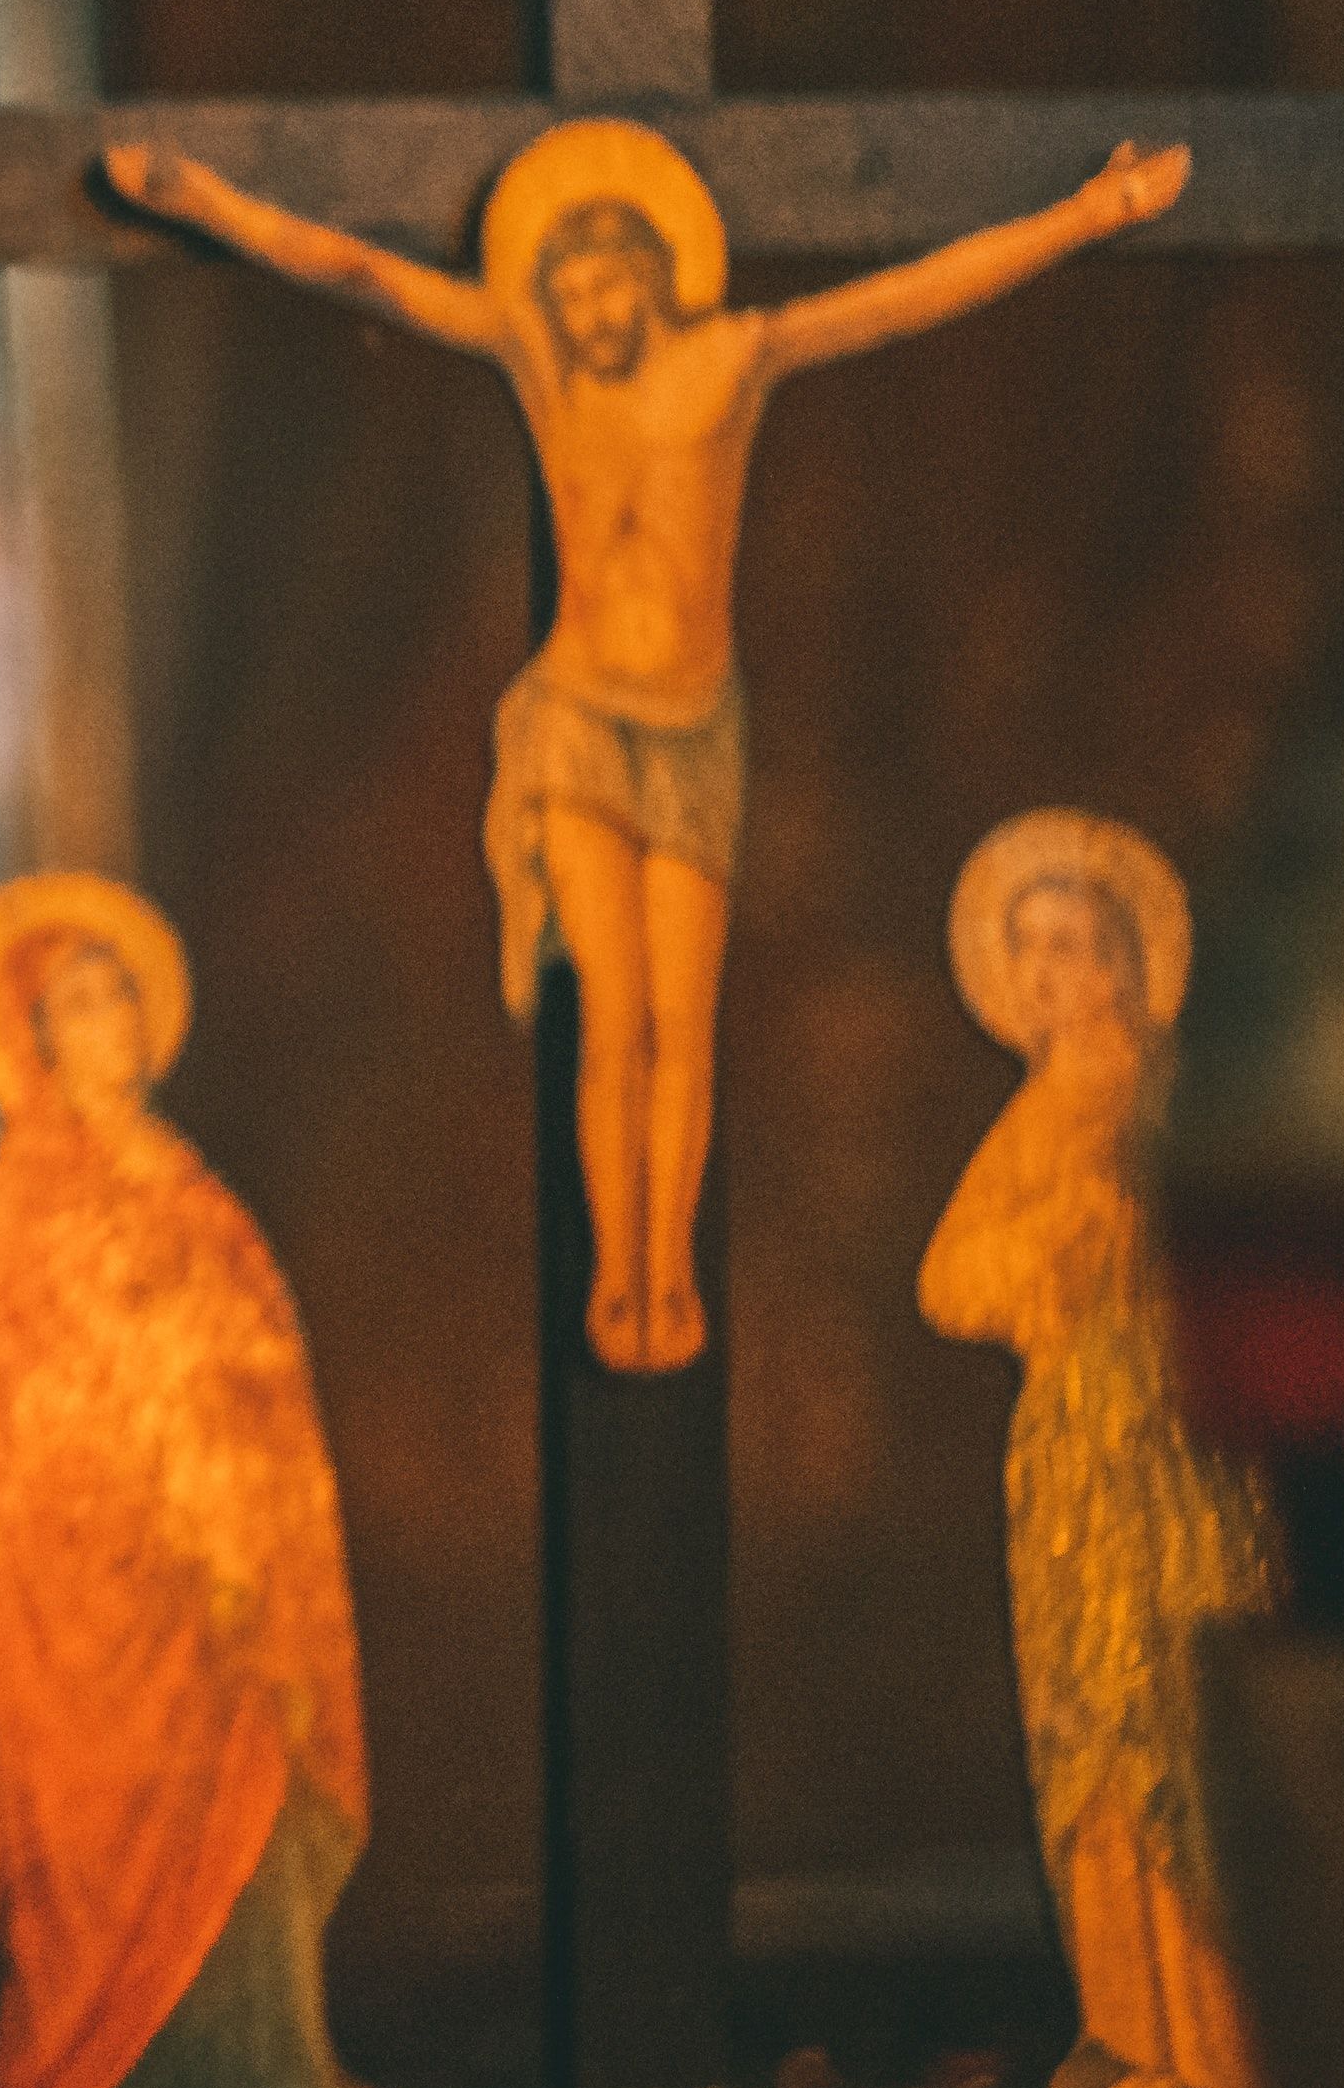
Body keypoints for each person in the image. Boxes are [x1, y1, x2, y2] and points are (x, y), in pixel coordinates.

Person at [102, 117, 1190, 1371]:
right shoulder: (536, 362)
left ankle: (670, 1267)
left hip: (692, 726)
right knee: (611, 1015)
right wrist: (198, 198)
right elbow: (359, 273)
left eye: (609, 281)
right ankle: (620, 1273)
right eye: (566, 291)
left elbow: (904, 298)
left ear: (657, 274)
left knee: (685, 1019)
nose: (590, 307)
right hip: (576, 718)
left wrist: (1089, 217)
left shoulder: (732, 358)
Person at [0, 874, 421, 2088]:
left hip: (241, 1559)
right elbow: (50, 1417)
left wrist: (244, 1512)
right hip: (131, 1590)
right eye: (76, 1001)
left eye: (120, 991)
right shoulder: (46, 1200)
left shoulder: (176, 1173)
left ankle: (274, 2085)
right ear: (30, 1033)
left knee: (268, 1823)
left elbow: (241, 1356)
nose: (108, 1020)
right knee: (167, 1834)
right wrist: (176, 1509)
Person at [919, 811, 1290, 2088]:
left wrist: (1125, 1233)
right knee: (1095, 1737)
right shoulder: (1039, 1112)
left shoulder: (1168, 1093)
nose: (1045, 975)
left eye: (1071, 946)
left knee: (1188, 1727)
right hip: (1072, 1466)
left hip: (1179, 1453)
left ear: (1127, 963)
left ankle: (1248, 2049)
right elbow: (950, 1279)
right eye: (1026, 950)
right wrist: (1044, 1258)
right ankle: (1150, 2035)